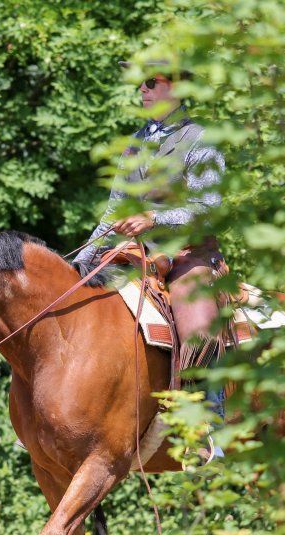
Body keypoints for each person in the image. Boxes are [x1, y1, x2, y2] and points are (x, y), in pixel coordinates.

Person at [72, 62, 228, 462]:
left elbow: (209, 210)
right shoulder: (135, 142)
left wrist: (154, 218)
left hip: (188, 255)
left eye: (151, 82)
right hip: (136, 255)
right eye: (140, 82)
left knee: (196, 324)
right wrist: (80, 262)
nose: (141, 89)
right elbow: (112, 214)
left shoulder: (202, 139)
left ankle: (207, 423)